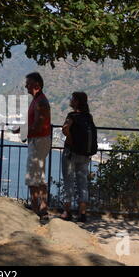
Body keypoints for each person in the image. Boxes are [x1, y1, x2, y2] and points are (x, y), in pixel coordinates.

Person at [13, 72, 51, 221]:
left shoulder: (40, 102)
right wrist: (22, 128)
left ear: (36, 84)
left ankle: (36, 210)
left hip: (38, 141)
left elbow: (38, 125)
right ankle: (42, 208)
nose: (25, 86)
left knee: (32, 177)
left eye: (28, 83)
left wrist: (23, 131)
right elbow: (34, 123)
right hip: (39, 140)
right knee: (39, 176)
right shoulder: (38, 100)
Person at [61, 92, 96, 222]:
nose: (70, 100)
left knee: (68, 182)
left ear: (76, 102)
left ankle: (67, 211)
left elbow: (65, 129)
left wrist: (70, 140)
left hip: (71, 153)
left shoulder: (72, 115)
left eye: (72, 99)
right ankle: (82, 213)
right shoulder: (88, 116)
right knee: (83, 183)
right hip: (85, 155)